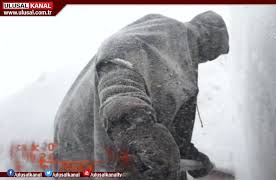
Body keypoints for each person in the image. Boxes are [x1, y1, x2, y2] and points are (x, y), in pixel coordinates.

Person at [54, 11, 229, 180]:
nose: (209, 59)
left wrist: (190, 155)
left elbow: (173, 129)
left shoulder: (183, 61)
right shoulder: (172, 33)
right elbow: (119, 50)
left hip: (103, 134)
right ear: (208, 36)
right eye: (213, 53)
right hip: (87, 133)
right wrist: (135, 122)